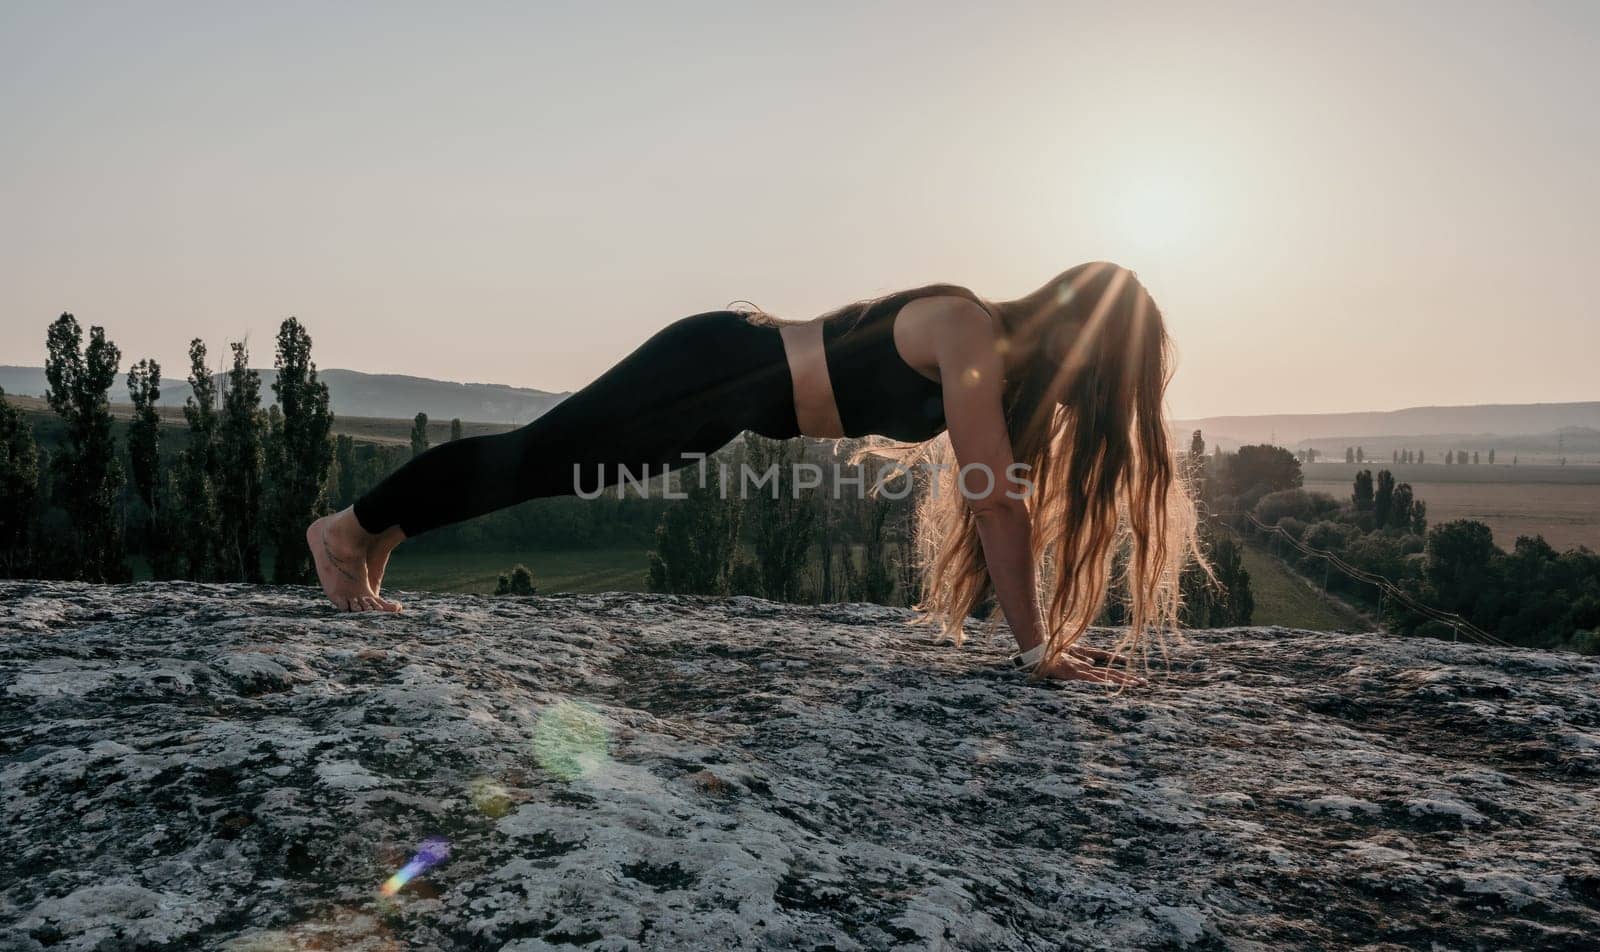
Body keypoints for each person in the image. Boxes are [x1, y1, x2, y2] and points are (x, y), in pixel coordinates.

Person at [308, 261, 1207, 685]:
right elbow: (997, 509)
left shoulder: (994, 356)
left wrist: (1039, 639)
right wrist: (1037, 652)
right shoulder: (971, 328)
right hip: (708, 369)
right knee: (531, 459)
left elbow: (1001, 498)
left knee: (533, 470)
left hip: (719, 406)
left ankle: (374, 536)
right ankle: (346, 530)